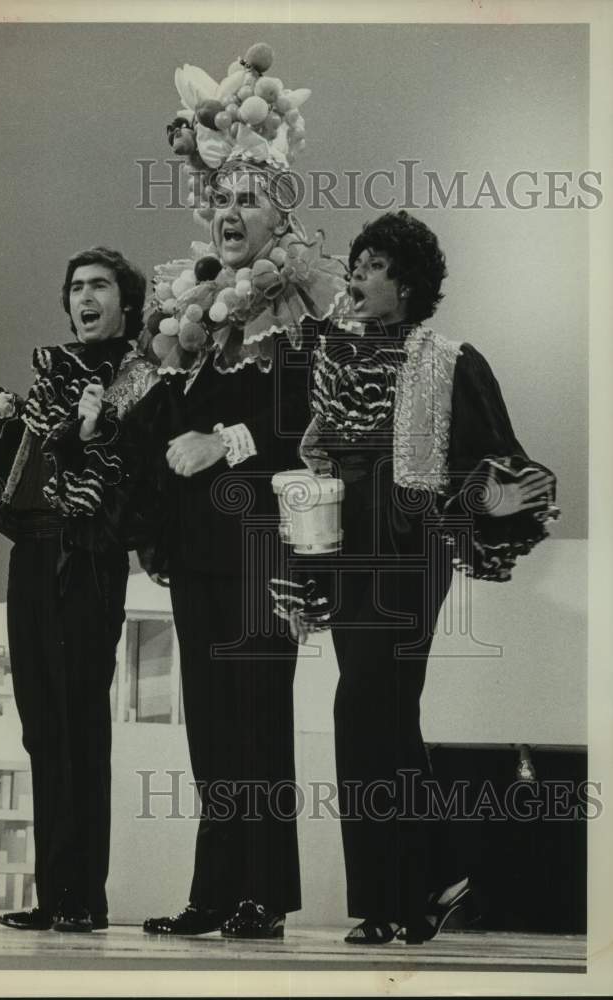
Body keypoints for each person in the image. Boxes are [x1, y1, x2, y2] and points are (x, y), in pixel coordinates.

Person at [271, 211, 559, 945]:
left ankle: (419, 884)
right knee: (370, 718)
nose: (357, 277)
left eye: (372, 266)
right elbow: (317, 458)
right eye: (356, 264)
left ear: (406, 283)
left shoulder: (450, 359)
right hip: (345, 548)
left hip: (408, 548)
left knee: (376, 702)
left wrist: (491, 498)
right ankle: (413, 888)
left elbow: (493, 463)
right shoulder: (334, 358)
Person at [129, 45, 347, 939]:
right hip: (198, 551)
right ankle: (212, 891)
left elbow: (311, 424)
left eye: (246, 200)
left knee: (259, 719)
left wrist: (221, 441)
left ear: (278, 215)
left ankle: (263, 892)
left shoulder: (296, 305)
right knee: (211, 727)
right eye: (219, 199)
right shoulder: (193, 307)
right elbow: (162, 427)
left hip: (262, 547)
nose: (228, 212)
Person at [0, 246, 155, 933]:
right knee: (43, 726)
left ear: (126, 304)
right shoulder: (54, 375)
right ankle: (55, 895)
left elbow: (124, 477)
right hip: (34, 559)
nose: (84, 297)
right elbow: (24, 473)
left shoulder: (137, 378)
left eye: (99, 285)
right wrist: (0, 417)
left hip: (87, 559)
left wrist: (94, 432)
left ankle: (83, 898)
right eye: (76, 287)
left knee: (78, 724)